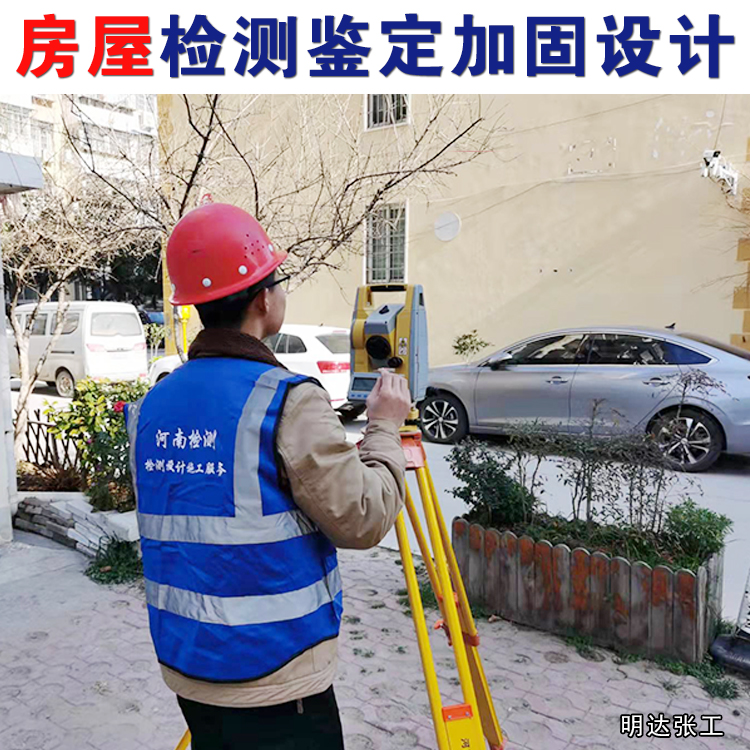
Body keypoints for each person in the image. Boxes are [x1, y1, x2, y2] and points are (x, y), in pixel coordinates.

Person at [124, 203, 412, 750]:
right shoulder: (287, 401)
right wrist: (384, 427)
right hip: (276, 677)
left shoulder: (153, 404)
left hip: (189, 666)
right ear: (263, 300)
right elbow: (363, 520)